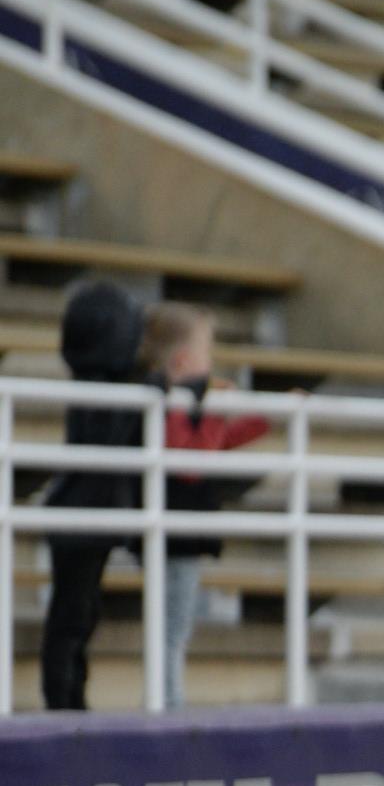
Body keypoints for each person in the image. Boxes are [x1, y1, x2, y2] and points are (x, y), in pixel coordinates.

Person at [138, 300, 270, 709]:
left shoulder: (183, 401)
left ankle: (168, 703)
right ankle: (168, 708)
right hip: (174, 536)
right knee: (171, 631)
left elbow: (218, 443)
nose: (211, 363)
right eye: (206, 352)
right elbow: (192, 461)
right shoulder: (170, 401)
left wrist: (266, 416)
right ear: (181, 360)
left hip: (181, 533)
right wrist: (215, 410)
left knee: (175, 628)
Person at [40, 279, 145, 713]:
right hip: (78, 518)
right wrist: (149, 391)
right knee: (71, 617)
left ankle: (72, 699)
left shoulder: (109, 386)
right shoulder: (95, 388)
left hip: (94, 518)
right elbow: (110, 438)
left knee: (82, 615)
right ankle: (63, 703)